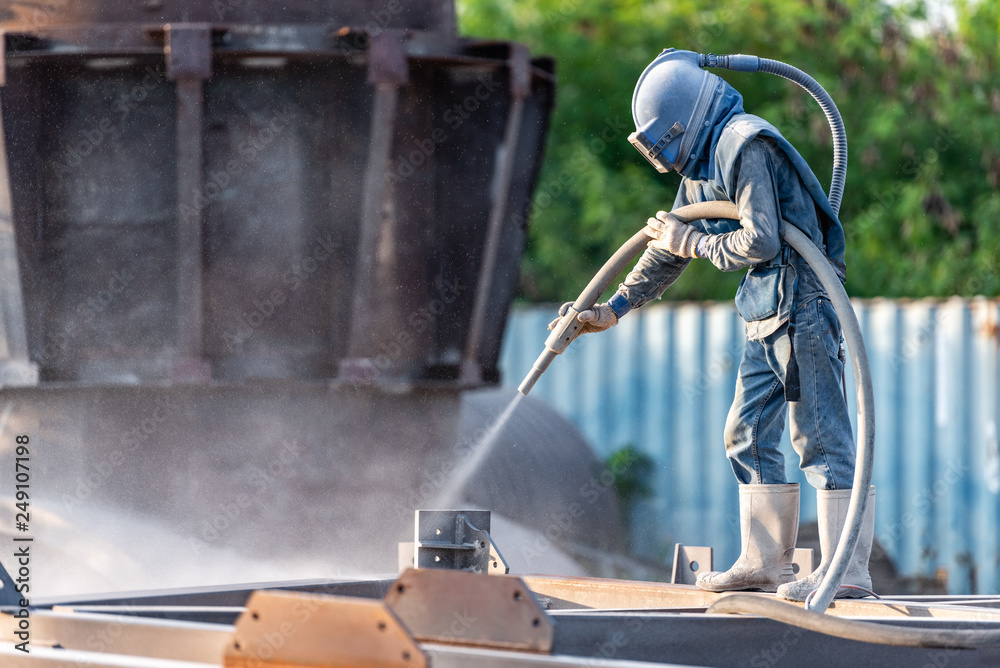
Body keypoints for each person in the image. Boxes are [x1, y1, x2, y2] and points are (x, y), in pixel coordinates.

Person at [550, 48, 874, 600]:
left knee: (820, 440)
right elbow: (669, 248)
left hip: (807, 309)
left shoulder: (742, 143)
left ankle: (846, 571)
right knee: (744, 434)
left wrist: (695, 242)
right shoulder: (702, 166)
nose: (667, 161)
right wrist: (612, 310)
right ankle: (764, 562)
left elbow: (762, 239)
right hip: (765, 313)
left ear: (682, 121)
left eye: (664, 145)